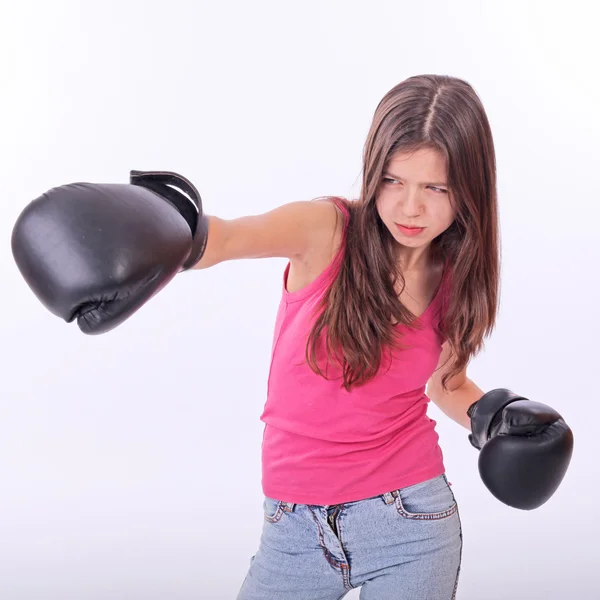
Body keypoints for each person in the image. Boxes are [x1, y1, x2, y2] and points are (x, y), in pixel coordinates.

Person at [12, 74, 573, 599]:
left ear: (469, 190)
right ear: (372, 170)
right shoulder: (327, 230)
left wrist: (493, 416)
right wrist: (165, 232)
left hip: (412, 519)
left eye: (436, 187)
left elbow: (444, 383)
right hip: (293, 526)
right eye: (393, 180)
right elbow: (229, 238)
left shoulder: (455, 276)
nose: (410, 206)